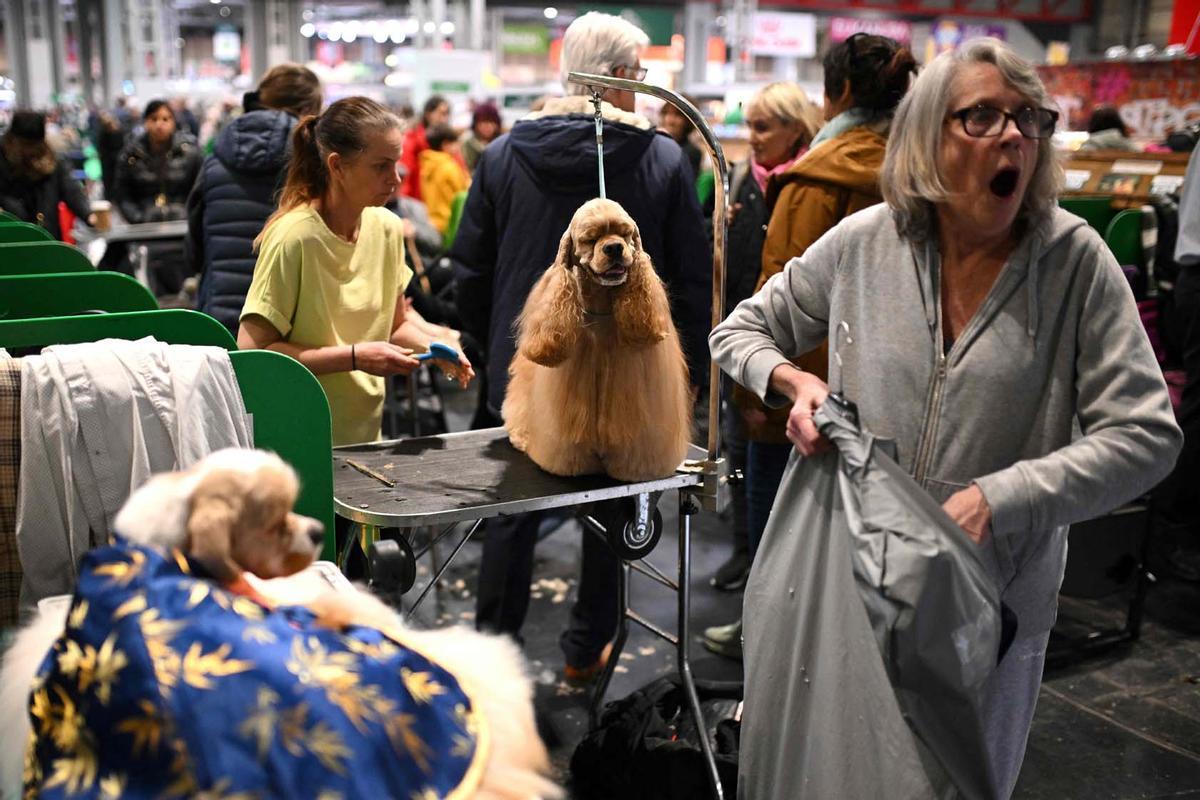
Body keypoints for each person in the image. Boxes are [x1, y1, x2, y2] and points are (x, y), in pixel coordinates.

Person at [710, 39, 1181, 797]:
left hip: (989, 604)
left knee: (962, 782)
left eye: (1028, 118)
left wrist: (1003, 498)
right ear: (929, 135)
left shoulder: (1075, 263)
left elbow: (1148, 436)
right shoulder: (868, 244)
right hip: (859, 576)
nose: (1013, 136)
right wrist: (795, 383)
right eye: (983, 117)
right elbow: (738, 332)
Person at [451, 11, 711, 681]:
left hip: (530, 369)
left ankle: (491, 660)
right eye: (640, 75)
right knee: (618, 503)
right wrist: (690, 375)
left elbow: (470, 265)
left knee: (510, 511)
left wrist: (487, 348)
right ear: (619, 77)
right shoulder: (662, 157)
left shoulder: (505, 154)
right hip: (631, 376)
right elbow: (688, 270)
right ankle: (586, 651)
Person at [705, 36, 917, 659]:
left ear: (837, 96)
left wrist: (766, 391)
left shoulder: (814, 180)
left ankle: (766, 640)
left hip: (806, 404)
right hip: (894, 399)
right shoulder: (924, 179)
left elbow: (776, 301)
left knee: (781, 526)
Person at [237, 96, 474, 448]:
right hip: (294, 438)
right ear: (337, 166)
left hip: (363, 435)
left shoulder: (387, 228)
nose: (394, 179)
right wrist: (355, 357)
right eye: (381, 166)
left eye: (396, 164)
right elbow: (254, 354)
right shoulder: (294, 237)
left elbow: (395, 324)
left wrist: (438, 347)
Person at [703, 81, 821, 597]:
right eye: (749, 125)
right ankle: (744, 553)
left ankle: (767, 578)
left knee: (773, 473)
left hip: (790, 355)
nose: (751, 137)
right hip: (741, 339)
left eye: (763, 126)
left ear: (796, 128)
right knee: (741, 461)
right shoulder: (742, 182)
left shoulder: (807, 186)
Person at [186, 63, 324, 336]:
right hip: (289, 322)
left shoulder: (215, 159)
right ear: (309, 109)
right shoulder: (312, 160)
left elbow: (193, 252)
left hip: (220, 318)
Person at [113, 99, 203, 296]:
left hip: (182, 230)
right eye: (154, 119)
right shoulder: (129, 155)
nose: (159, 124)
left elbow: (198, 190)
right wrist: (137, 218)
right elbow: (122, 195)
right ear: (146, 122)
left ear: (173, 122)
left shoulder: (191, 153)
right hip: (143, 231)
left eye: (165, 118)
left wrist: (189, 215)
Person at [0, 110, 94, 241]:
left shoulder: (51, 160)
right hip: (10, 240)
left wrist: (88, 214)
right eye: (26, 145)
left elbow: (71, 190)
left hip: (47, 237)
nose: (30, 151)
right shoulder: (3, 162)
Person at [420, 123, 470, 235]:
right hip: (448, 224)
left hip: (431, 221)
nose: (458, 146)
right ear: (446, 144)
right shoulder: (449, 167)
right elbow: (462, 193)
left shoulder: (427, 163)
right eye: (455, 143)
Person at [399, 94, 450, 203]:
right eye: (441, 113)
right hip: (417, 203)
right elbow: (406, 177)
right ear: (428, 114)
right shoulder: (413, 140)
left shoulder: (448, 142)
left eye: (447, 114)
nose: (444, 118)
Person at [658, 97, 703, 178]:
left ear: (688, 120)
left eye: (677, 115)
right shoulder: (656, 145)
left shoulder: (692, 152)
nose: (670, 120)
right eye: (667, 113)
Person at [461, 102, 502, 173]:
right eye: (483, 122)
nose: (487, 126)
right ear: (475, 124)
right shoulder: (467, 142)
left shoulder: (502, 143)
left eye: (491, 122)